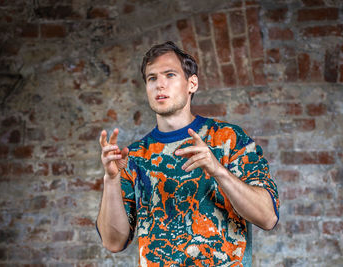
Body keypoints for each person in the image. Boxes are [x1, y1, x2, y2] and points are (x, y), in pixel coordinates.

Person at [96, 41, 279, 266]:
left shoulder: (229, 139)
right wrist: (111, 179)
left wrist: (218, 171)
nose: (159, 85)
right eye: (152, 78)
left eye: (170, 75)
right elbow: (113, 242)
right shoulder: (133, 156)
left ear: (192, 83)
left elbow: (268, 217)